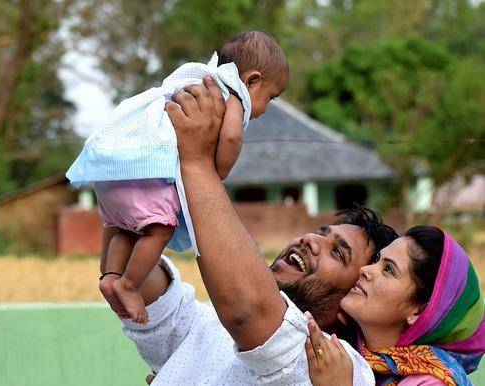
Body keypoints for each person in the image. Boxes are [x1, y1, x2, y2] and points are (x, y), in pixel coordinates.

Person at [101, 76, 398, 385]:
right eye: (321, 232)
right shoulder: (213, 326)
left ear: (351, 303)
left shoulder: (342, 368)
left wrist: (197, 162)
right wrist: (135, 166)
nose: (311, 240)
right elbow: (136, 285)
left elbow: (249, 311)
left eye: (337, 252)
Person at [68, 31, 289, 324]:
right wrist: (214, 176)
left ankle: (111, 275)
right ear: (251, 80)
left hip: (117, 172)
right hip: (144, 174)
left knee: (129, 229)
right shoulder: (232, 93)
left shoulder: (197, 75)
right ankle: (128, 285)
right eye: (270, 98)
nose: (265, 108)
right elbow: (232, 137)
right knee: (158, 230)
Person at [306, 226, 485, 385]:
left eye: (389, 269)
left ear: (418, 311)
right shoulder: (346, 350)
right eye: (377, 260)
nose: (365, 270)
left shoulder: (434, 381)